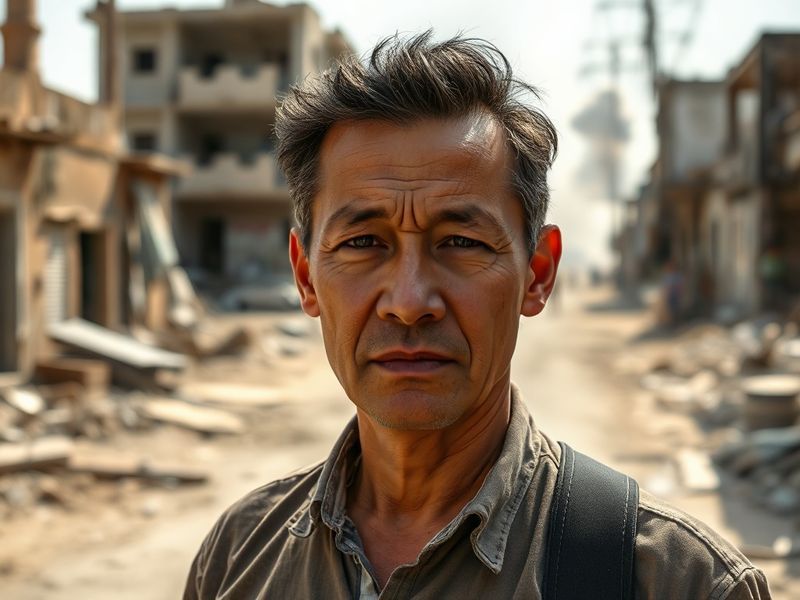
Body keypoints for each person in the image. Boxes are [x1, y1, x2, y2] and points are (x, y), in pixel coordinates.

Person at [183, 33, 771, 599]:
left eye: (461, 242)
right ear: (307, 276)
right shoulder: (239, 557)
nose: (409, 302)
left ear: (537, 274)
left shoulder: (676, 582)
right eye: (363, 243)